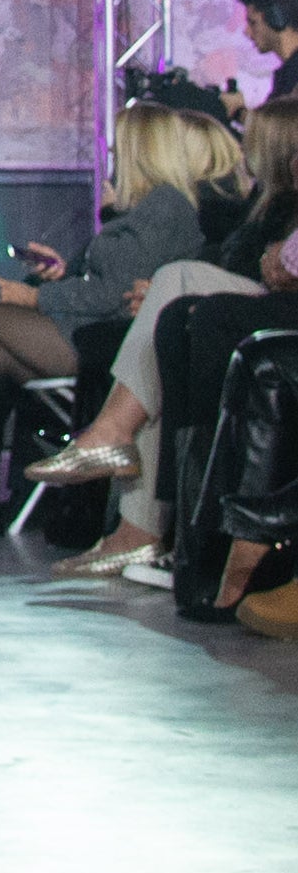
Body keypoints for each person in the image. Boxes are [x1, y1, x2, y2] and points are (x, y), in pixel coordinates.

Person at [0, 99, 238, 542]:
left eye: (119, 149)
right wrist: (62, 272)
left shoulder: (165, 206)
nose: (112, 158)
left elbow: (112, 295)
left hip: (114, 341)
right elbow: (104, 279)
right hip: (90, 327)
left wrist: (36, 297)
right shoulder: (142, 208)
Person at [23, 103, 298, 591]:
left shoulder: (214, 204)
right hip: (245, 301)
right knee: (164, 330)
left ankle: (123, 475)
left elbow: (268, 266)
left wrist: (36, 295)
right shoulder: (264, 201)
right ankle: (134, 518)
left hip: (271, 308)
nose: (243, 149)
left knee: (173, 298)